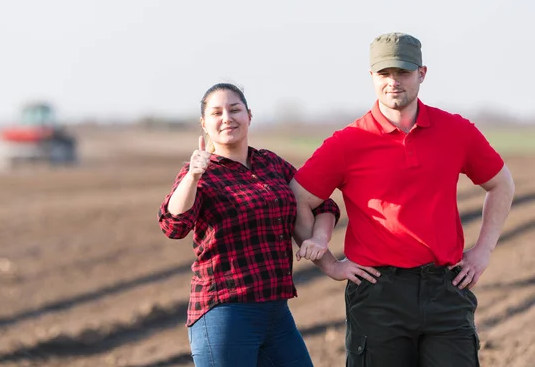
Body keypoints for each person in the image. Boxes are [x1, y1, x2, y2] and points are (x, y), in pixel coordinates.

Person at [290, 32, 515, 367]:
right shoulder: (348, 142)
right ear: (371, 77)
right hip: (378, 294)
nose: (393, 81)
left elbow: (502, 185)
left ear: (422, 74)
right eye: (384, 73)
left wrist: (484, 250)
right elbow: (298, 199)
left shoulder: (456, 131)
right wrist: (329, 264)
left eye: (403, 72)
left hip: (446, 288)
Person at [157, 82, 341, 367]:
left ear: (249, 116)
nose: (227, 118)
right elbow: (174, 226)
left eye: (234, 109)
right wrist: (192, 176)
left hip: (276, 311)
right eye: (216, 112)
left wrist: (319, 237)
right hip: (225, 313)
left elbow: (323, 204)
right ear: (204, 123)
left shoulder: (271, 163)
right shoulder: (201, 173)